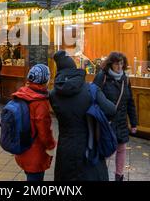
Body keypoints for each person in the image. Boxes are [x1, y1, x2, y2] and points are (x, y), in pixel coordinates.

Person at [49, 50, 116, 181]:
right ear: (74, 68)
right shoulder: (91, 89)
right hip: (89, 147)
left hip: (66, 148)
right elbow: (111, 110)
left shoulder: (52, 95)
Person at [93, 52, 137, 181]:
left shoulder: (126, 79)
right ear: (110, 64)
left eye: (122, 63)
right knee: (106, 149)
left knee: (121, 148)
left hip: (122, 120)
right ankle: (101, 175)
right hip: (106, 121)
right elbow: (93, 97)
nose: (119, 66)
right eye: (117, 63)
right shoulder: (102, 77)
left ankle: (119, 176)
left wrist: (134, 123)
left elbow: (130, 102)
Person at [13, 64, 56, 181]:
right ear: (45, 80)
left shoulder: (22, 93)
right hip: (35, 151)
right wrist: (51, 145)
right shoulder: (40, 102)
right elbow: (44, 130)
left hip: (22, 147)